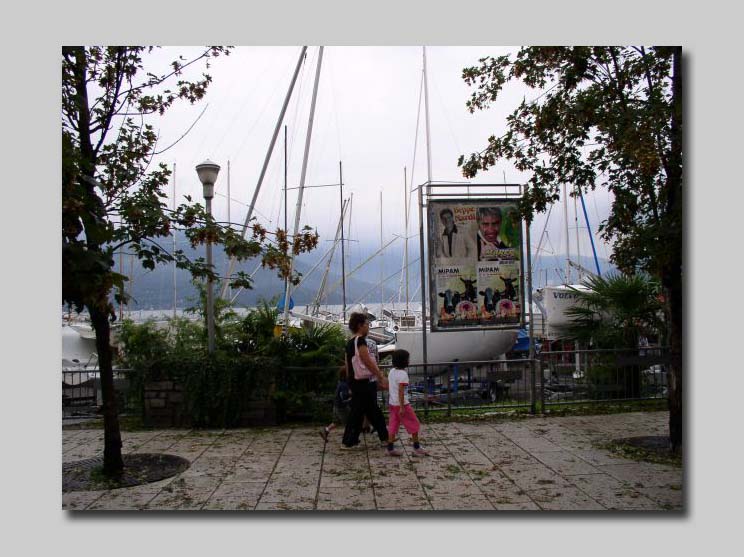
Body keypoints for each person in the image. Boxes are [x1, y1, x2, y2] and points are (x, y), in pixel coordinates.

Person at [341, 313, 390, 449]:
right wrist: (380, 375)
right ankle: (349, 441)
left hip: (355, 381)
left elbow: (348, 364)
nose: (368, 327)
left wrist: (349, 382)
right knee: (365, 411)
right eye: (367, 324)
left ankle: (352, 441)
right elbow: (367, 360)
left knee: (365, 411)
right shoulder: (360, 341)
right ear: (360, 325)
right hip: (363, 382)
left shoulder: (350, 342)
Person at [386, 349, 428, 457]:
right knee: (414, 423)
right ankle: (416, 447)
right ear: (404, 361)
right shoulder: (403, 374)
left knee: (393, 424)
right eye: (408, 359)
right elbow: (401, 391)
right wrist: (402, 407)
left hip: (392, 403)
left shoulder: (392, 371)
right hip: (402, 404)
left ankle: (390, 448)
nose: (409, 360)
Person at [319, 366, 351, 442]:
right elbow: (344, 396)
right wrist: (351, 395)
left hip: (336, 405)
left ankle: (326, 430)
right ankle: (349, 438)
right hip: (342, 407)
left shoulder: (340, 383)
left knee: (336, 422)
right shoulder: (344, 385)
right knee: (349, 422)